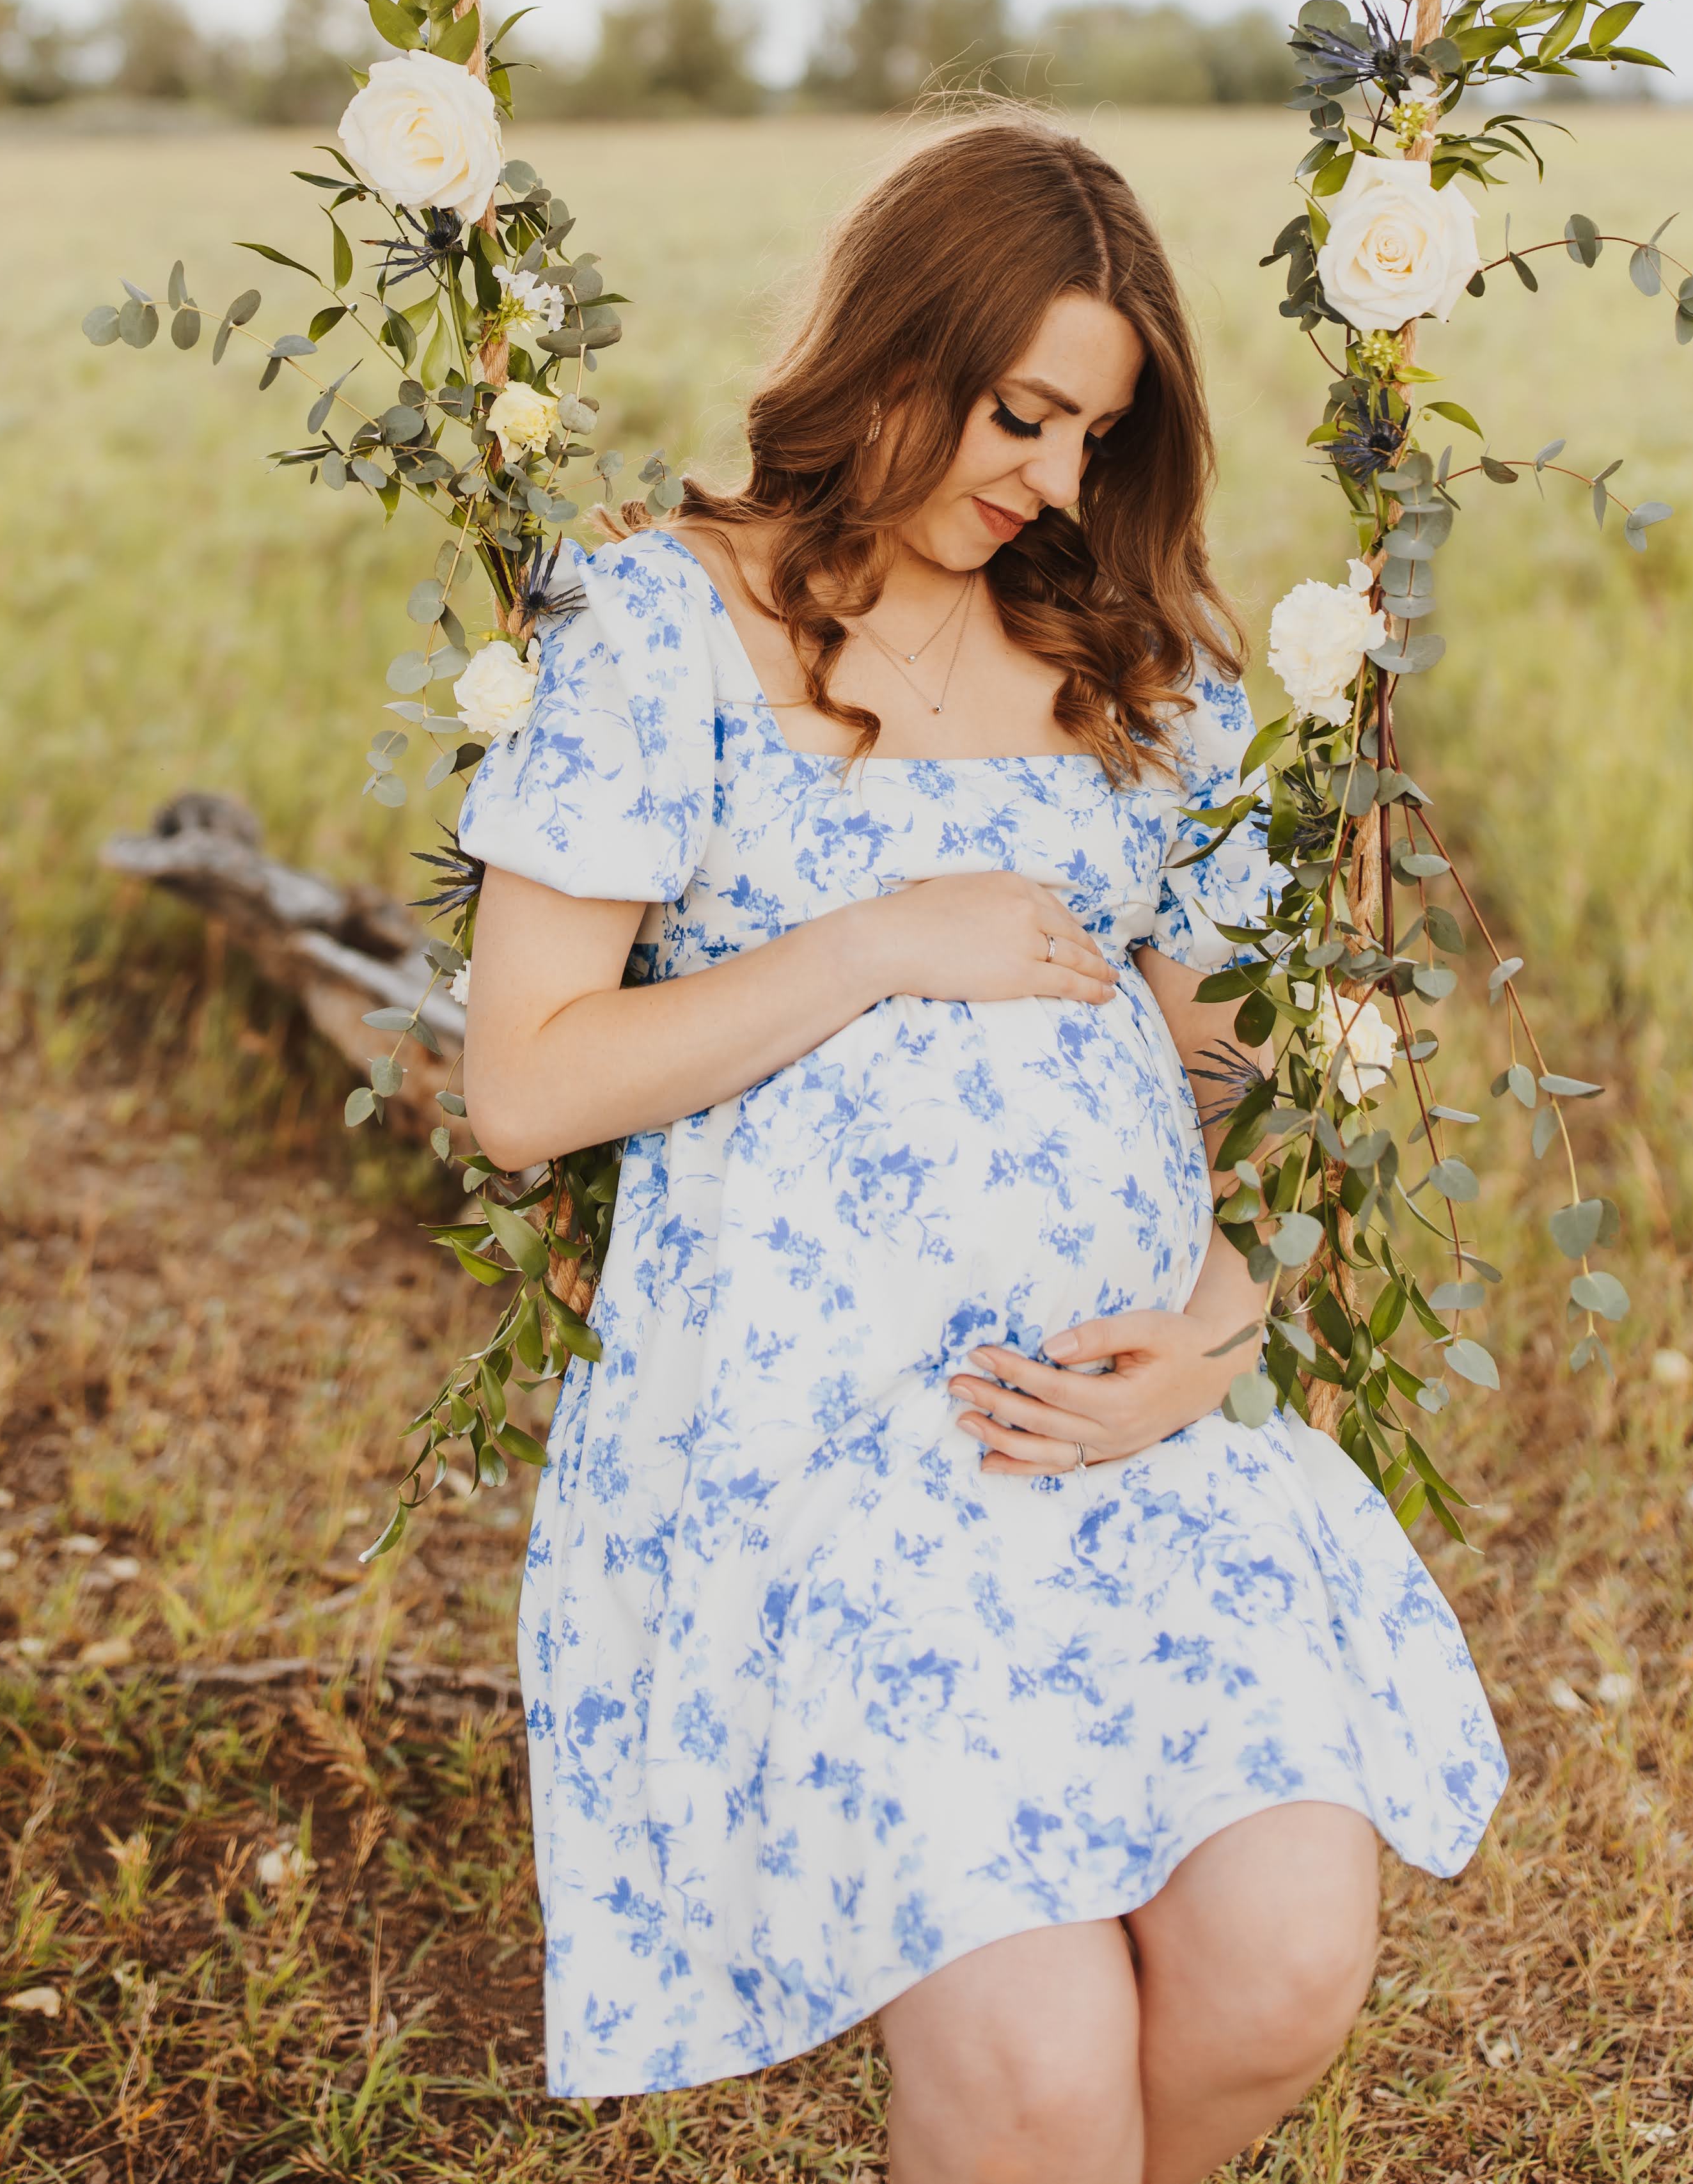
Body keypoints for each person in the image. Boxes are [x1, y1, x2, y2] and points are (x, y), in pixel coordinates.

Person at [460, 108, 1506, 2183]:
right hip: (829, 1454)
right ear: (894, 344)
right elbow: (526, 1084)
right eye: (1022, 415)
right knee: (1035, 2068)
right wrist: (876, 940)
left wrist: (1218, 1331)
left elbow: (1263, 1090)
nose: (1053, 480)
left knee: (1283, 1961)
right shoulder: (662, 629)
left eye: (1094, 438)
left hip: (1126, 1428)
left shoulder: (1134, 667)